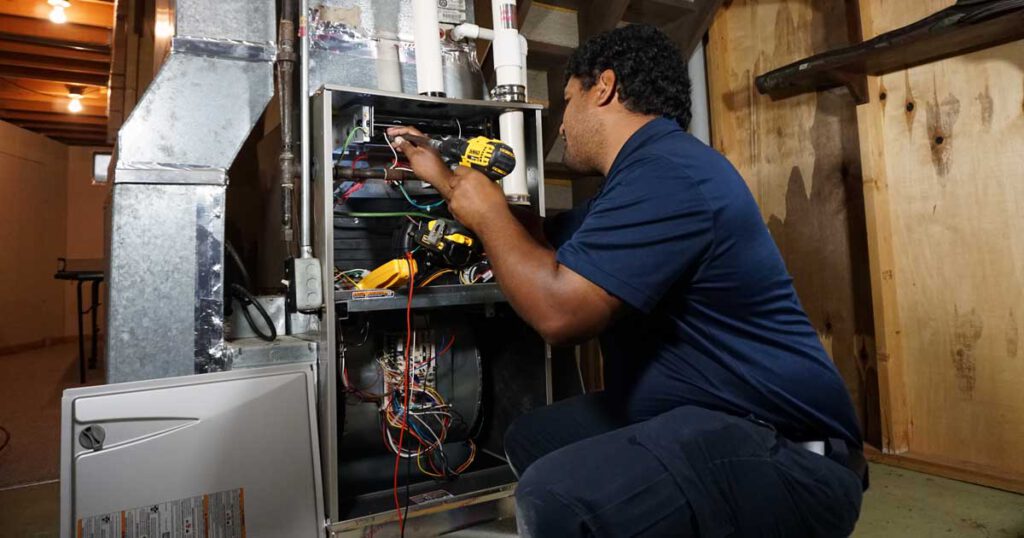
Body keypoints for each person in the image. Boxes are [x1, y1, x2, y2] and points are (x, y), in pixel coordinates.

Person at [389, 23, 866, 538]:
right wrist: (448, 179)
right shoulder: (638, 178)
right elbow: (542, 248)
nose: (563, 124)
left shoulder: (669, 174)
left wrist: (486, 216)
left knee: (556, 496)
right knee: (536, 438)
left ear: (605, 87)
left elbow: (560, 312)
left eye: (568, 102)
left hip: (788, 457)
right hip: (709, 419)